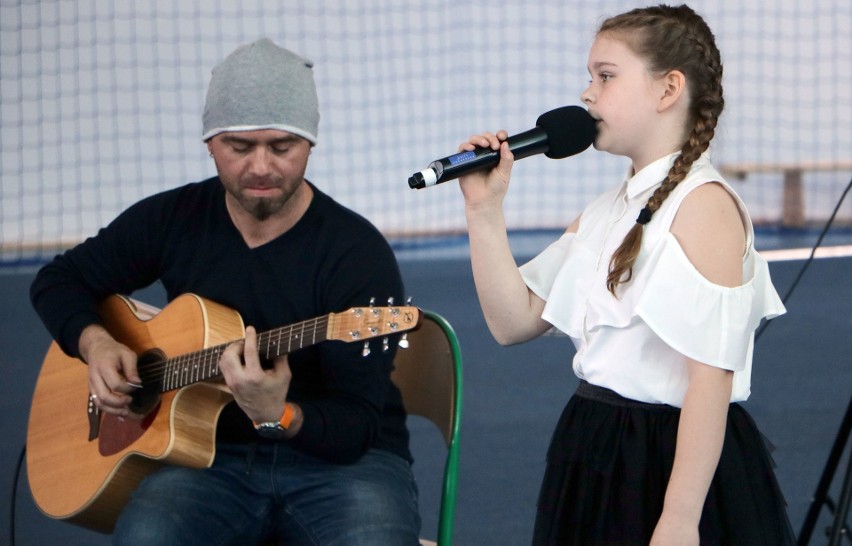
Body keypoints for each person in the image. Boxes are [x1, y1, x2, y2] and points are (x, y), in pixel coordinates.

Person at [30, 38, 420, 545]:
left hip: (343, 463)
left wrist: (276, 413)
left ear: (310, 146)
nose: (261, 167)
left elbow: (359, 426)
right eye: (239, 146)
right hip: (206, 457)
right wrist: (96, 343)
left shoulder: (356, 254)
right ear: (210, 143)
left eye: (282, 146)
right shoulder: (173, 218)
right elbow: (59, 281)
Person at [456, 5, 796, 545]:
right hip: (596, 446)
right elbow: (511, 321)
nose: (588, 94)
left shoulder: (703, 208)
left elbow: (711, 381)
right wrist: (483, 211)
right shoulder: (608, 209)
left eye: (606, 76)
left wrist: (680, 518)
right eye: (590, 77)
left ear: (668, 90)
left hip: (668, 460)